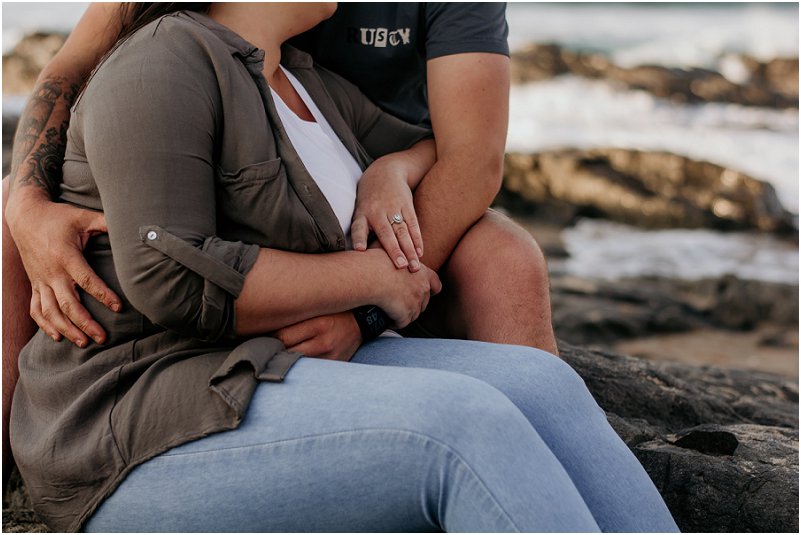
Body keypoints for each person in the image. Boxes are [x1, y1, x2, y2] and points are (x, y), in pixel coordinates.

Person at [9, 3, 680, 532]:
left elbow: (450, 148)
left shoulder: (300, 77)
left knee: (541, 385)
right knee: (467, 424)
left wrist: (393, 167)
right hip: (142, 420)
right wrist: (375, 283)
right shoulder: (165, 60)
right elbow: (169, 278)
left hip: (253, 364)